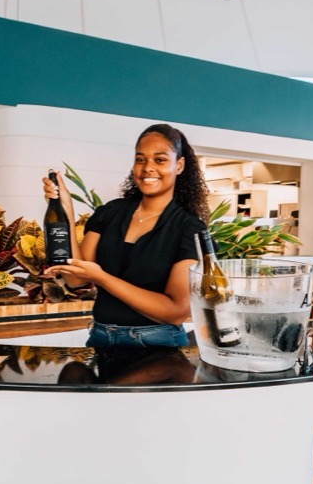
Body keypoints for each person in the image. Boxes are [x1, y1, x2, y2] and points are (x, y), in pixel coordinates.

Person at [42, 123, 209, 348]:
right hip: (101, 336)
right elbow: (76, 279)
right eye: (140, 159)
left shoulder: (189, 229)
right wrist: (66, 212)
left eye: (160, 160)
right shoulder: (110, 213)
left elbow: (175, 312)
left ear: (179, 165)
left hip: (157, 342)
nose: (147, 168)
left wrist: (102, 278)